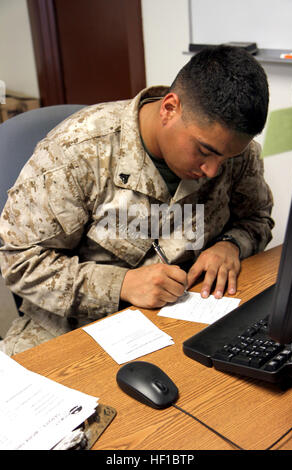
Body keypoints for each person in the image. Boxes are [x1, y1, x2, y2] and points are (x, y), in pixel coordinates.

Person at [0, 45, 274, 356]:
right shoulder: (76, 151)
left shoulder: (236, 152)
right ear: (169, 108)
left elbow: (256, 218)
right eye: (205, 151)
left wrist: (230, 244)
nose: (213, 170)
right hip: (72, 327)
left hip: (179, 317)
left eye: (227, 157)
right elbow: (20, 262)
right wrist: (121, 284)